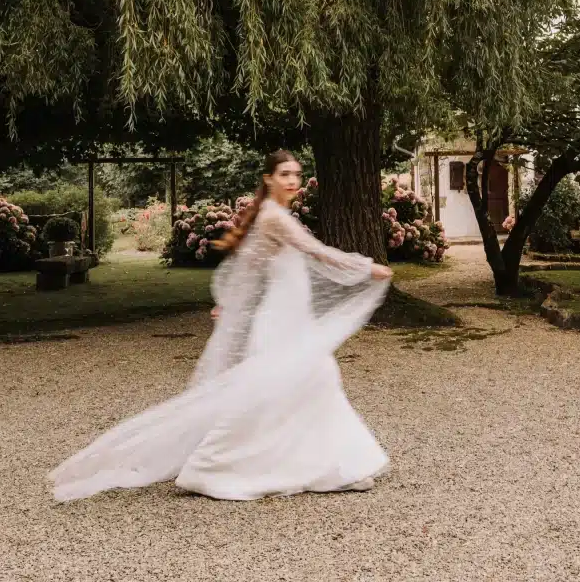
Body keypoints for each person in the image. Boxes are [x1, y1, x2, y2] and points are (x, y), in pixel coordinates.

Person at [49, 151, 392, 502]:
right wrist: (365, 268)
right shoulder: (274, 217)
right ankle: (213, 467)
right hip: (280, 322)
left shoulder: (272, 215)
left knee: (308, 384)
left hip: (291, 317)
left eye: (297, 174)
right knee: (289, 385)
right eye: (285, 173)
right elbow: (316, 251)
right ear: (268, 178)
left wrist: (229, 302)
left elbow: (251, 266)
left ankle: (332, 464)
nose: (292, 181)